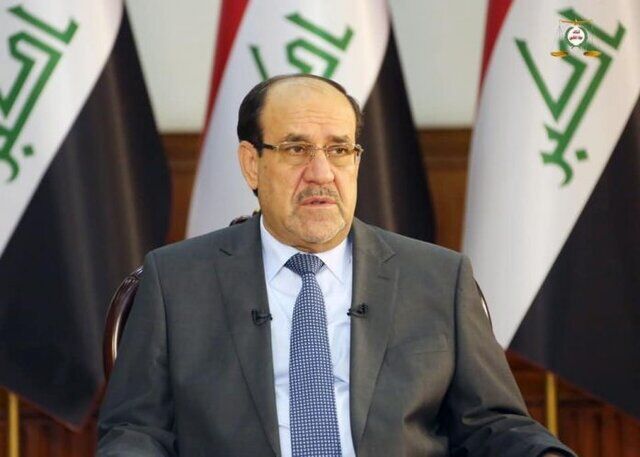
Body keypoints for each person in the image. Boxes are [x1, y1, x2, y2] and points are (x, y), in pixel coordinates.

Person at [98, 74, 576, 456]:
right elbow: (136, 431)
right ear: (252, 164)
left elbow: (493, 425)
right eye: (297, 149)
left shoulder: (436, 279)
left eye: (339, 149)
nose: (322, 173)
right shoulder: (177, 281)